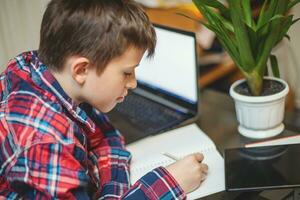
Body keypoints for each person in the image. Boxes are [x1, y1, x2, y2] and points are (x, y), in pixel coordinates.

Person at [0, 0, 208, 199]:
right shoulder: (44, 143)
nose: (133, 83)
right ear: (81, 70)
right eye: (127, 73)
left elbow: (105, 137)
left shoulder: (38, 71)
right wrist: (170, 183)